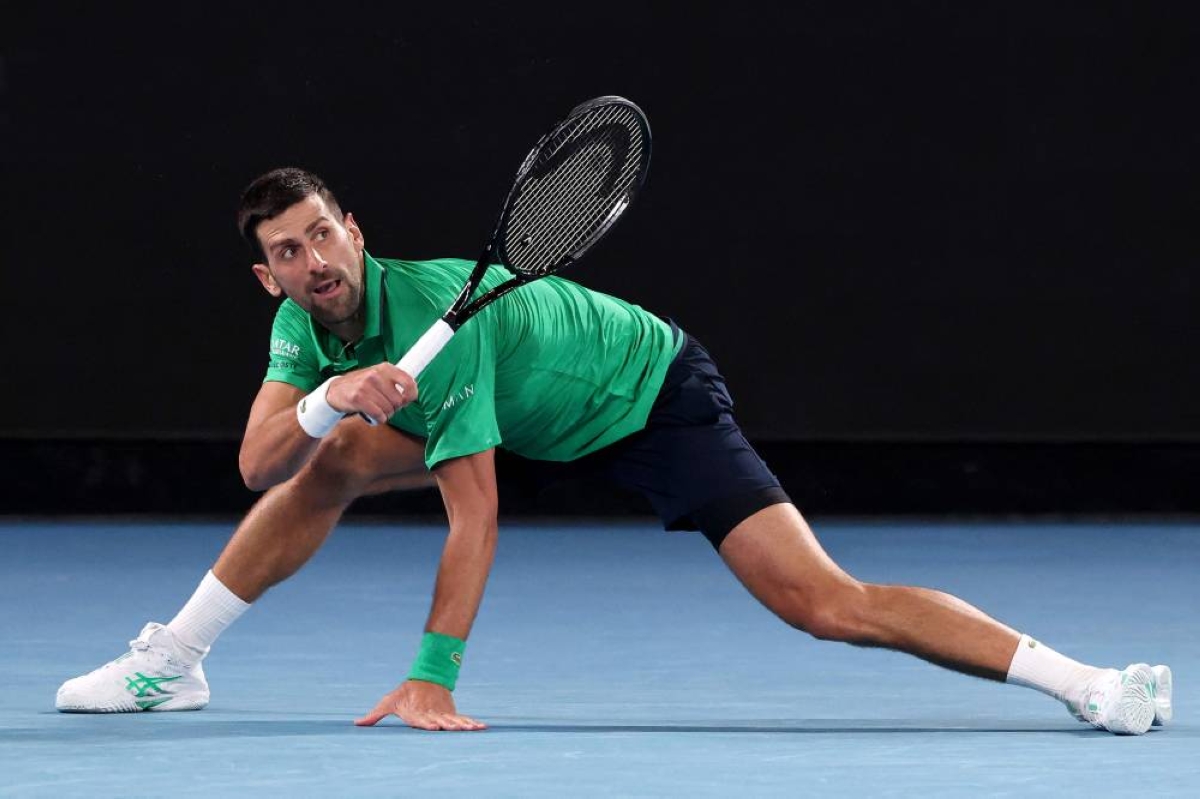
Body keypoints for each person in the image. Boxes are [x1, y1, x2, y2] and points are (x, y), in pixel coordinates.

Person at [57, 168, 1172, 735]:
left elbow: (476, 515)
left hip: (643, 395)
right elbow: (260, 461)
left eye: (320, 234)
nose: (310, 260)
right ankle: (177, 661)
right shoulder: (305, 322)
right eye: (285, 252)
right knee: (335, 459)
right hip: (526, 404)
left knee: (823, 604)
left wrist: (431, 681)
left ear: (353, 226)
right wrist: (331, 400)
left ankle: (1091, 685)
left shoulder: (443, 308)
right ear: (269, 275)